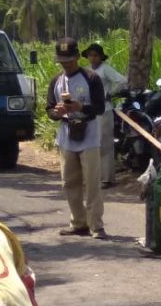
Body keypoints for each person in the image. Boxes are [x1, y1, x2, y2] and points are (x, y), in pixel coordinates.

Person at [47, 37, 108, 239]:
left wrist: (81, 107)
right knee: (69, 182)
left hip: (88, 134)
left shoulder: (91, 78)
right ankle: (78, 222)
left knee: (91, 182)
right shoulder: (56, 81)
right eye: (62, 61)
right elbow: (49, 109)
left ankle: (96, 225)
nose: (66, 64)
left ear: (76, 57)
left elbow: (100, 107)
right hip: (66, 135)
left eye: (69, 60)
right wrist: (56, 112)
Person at [83, 43, 127, 189]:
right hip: (90, 110)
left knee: (104, 143)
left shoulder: (105, 69)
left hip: (105, 110)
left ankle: (107, 178)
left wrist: (110, 93)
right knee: (91, 143)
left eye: (95, 55)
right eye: (90, 55)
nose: (93, 58)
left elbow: (122, 80)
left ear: (101, 57)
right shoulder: (87, 71)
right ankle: (93, 176)